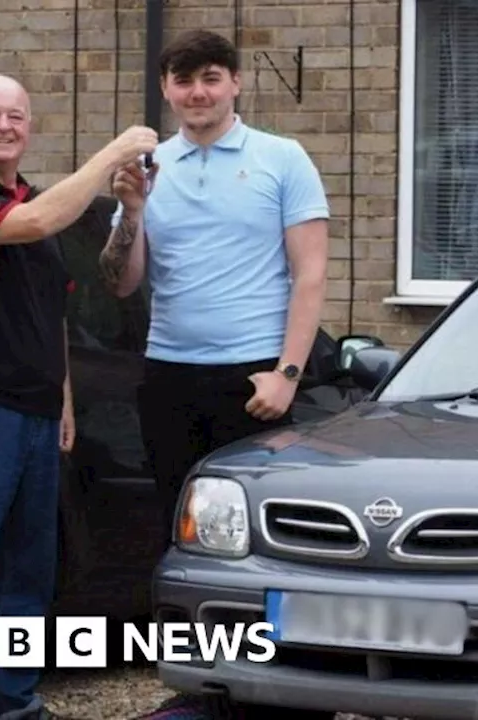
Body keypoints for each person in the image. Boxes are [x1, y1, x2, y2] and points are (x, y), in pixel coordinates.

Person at [0, 74, 157, 720]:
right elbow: (41, 219)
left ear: (29, 128)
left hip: (37, 416)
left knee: (26, 576)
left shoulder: (37, 210)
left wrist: (66, 401)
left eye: (16, 117)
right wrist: (111, 154)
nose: (3, 126)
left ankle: (11, 702)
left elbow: (51, 314)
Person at [98, 29, 330, 544]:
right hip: (168, 374)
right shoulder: (147, 168)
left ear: (235, 84)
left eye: (211, 79)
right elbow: (121, 282)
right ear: (165, 88)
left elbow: (310, 274)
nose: (198, 93)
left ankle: (255, 627)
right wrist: (132, 211)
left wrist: (286, 374)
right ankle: (188, 624)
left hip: (253, 379)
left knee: (256, 532)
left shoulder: (283, 158)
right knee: (177, 525)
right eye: (184, 81)